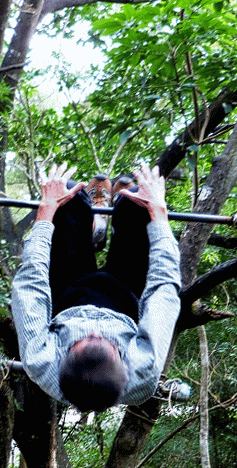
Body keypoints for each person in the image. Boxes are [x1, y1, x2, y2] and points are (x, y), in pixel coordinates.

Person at [11, 162, 181, 412]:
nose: (96, 332)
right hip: (125, 297)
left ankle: (93, 223)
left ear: (64, 357)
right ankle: (114, 210)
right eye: (106, 342)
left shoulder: (41, 361)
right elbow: (163, 290)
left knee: (67, 194)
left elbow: (30, 285)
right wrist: (159, 211)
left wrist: (46, 211)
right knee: (136, 200)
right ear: (123, 362)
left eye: (84, 339)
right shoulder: (144, 369)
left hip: (68, 294)